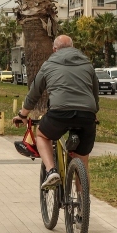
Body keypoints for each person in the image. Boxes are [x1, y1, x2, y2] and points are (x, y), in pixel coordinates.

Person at [12, 35, 98, 189]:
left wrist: (23, 114)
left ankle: (51, 171)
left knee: (42, 135)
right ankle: (82, 206)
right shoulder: (87, 63)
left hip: (59, 112)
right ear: (72, 47)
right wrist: (94, 112)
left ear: (54, 49)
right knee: (83, 159)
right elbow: (94, 92)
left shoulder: (49, 64)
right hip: (87, 115)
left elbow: (34, 93)